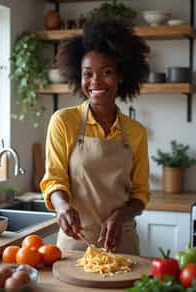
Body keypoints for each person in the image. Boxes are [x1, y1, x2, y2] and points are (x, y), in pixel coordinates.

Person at [40, 16, 150, 255]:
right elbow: (54, 180)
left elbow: (140, 194)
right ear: (78, 77)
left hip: (122, 244)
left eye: (106, 72)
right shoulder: (63, 121)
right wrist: (61, 206)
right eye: (87, 73)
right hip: (74, 244)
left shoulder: (136, 132)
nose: (95, 81)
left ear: (121, 76)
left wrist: (121, 215)